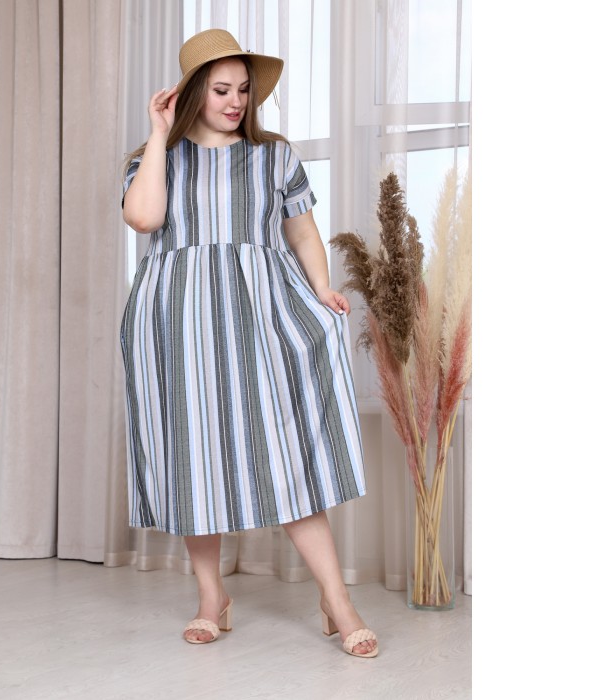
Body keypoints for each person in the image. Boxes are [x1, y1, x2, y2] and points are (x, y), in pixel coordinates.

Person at [120, 29, 378, 658]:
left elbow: (304, 234)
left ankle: (336, 600)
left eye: (243, 90)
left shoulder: (274, 156)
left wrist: (322, 290)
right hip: (176, 320)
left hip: (262, 313)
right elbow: (143, 218)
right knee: (193, 457)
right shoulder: (156, 157)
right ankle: (212, 598)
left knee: (287, 454)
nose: (236, 101)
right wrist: (158, 134)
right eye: (221, 90)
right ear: (189, 93)